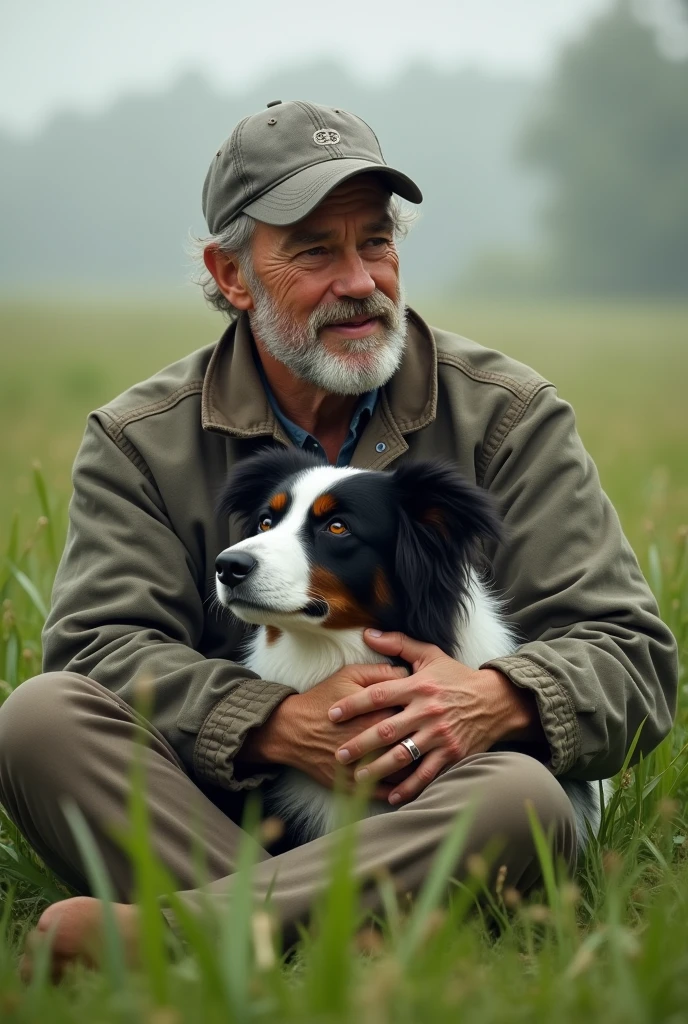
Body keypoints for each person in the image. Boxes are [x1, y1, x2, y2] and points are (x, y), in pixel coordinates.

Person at [0, 100, 677, 978]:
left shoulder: (508, 414)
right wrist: (274, 721)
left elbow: (631, 654)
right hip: (243, 816)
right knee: (39, 720)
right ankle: (333, 930)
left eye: (377, 241)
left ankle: (179, 940)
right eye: (316, 249)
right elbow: (98, 648)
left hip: (446, 801)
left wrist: (490, 701)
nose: (360, 280)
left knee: (516, 797)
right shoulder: (144, 438)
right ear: (232, 274)